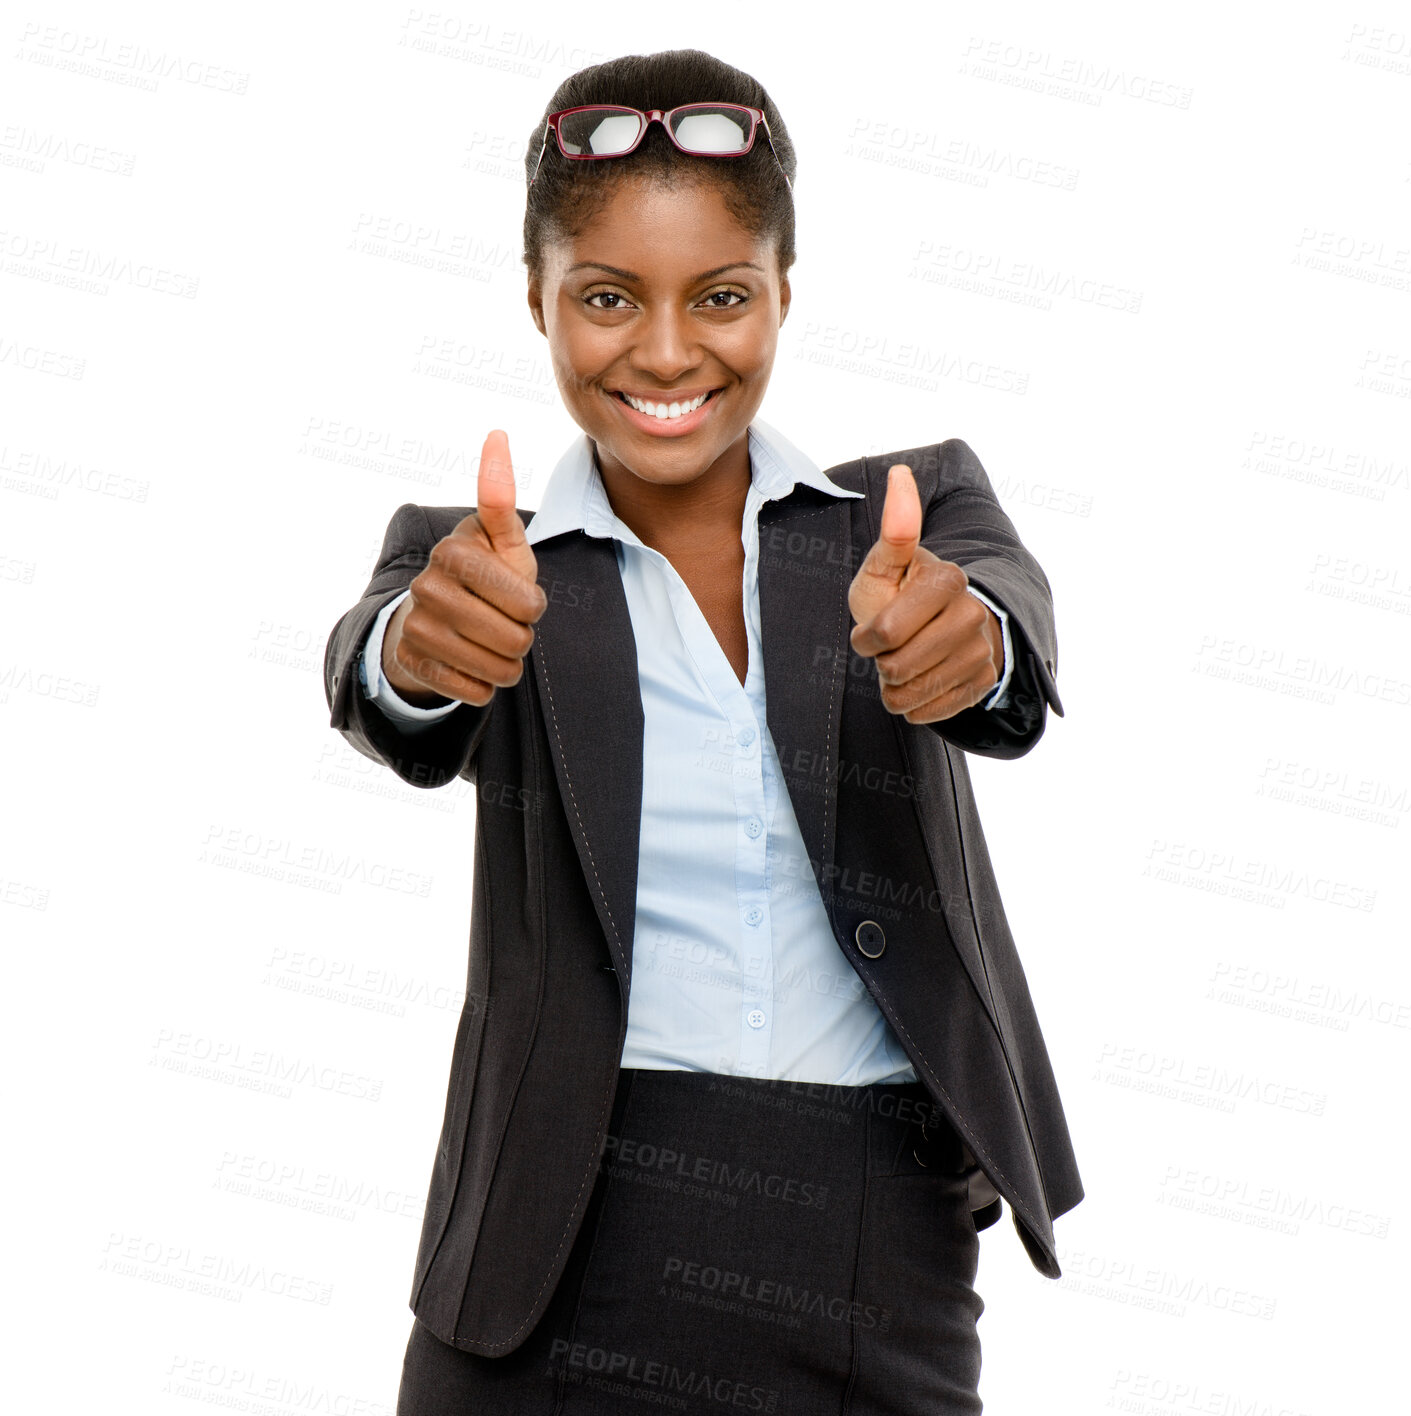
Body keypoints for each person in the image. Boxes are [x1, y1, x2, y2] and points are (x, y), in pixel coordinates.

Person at [322, 47, 1083, 1416]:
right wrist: (416, 651)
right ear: (539, 302)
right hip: (558, 1247)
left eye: (721, 296)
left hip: (873, 1248)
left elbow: (1007, 656)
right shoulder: (479, 562)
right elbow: (381, 680)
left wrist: (968, 648)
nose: (667, 351)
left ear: (783, 293)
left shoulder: (907, 522)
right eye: (607, 296)